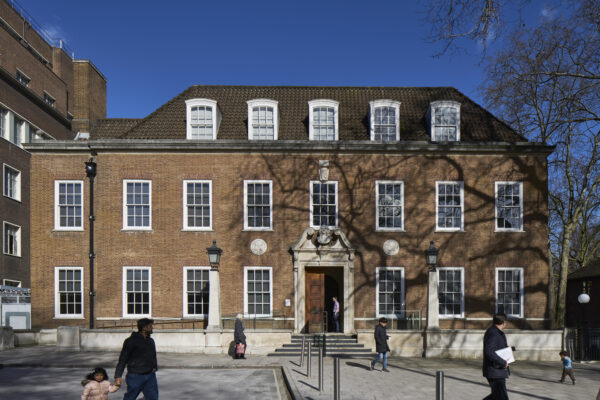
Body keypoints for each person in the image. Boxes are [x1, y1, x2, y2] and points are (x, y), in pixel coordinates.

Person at [114, 318, 158, 400]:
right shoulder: (130, 341)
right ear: (144, 328)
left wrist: (155, 367)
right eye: (150, 326)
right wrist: (118, 376)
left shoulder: (151, 341)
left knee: (153, 398)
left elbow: (153, 356)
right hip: (135, 376)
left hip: (150, 375)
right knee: (130, 397)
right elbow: (123, 359)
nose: (152, 328)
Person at [482, 313, 511, 400]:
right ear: (504, 322)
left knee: (496, 396)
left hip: (497, 371)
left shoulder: (496, 332)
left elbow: (496, 348)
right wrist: (503, 362)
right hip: (495, 371)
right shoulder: (494, 333)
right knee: (501, 397)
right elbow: (489, 351)